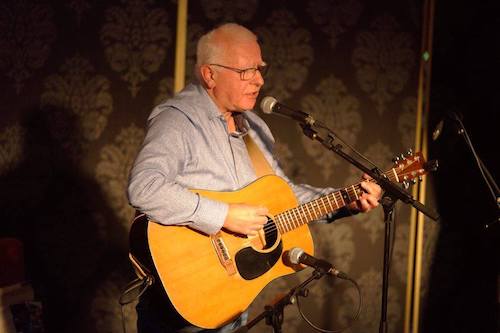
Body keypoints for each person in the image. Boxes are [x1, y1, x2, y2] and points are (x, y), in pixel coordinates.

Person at [127, 23, 382, 333]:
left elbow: (283, 197)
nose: (259, 80)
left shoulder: (256, 127)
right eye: (247, 71)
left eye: (261, 69)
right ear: (210, 74)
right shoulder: (178, 120)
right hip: (183, 307)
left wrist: (347, 199)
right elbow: (144, 187)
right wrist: (224, 215)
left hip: (233, 301)